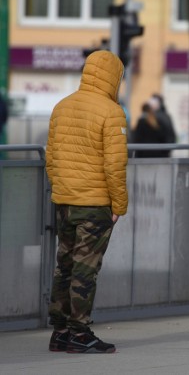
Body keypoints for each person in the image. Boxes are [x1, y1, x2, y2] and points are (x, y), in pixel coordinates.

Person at [45, 50, 128, 353]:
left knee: (64, 265)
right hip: (95, 204)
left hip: (65, 201)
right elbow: (114, 165)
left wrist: (61, 187)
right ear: (113, 77)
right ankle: (80, 332)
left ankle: (60, 331)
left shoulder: (61, 106)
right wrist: (119, 206)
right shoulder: (111, 111)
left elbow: (51, 158)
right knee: (85, 270)